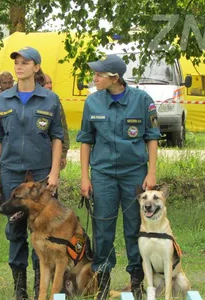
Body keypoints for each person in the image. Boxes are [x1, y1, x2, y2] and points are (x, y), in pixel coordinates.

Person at [77, 54, 160, 300]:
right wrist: (84, 176)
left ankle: (137, 282)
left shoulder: (142, 100)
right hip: (102, 174)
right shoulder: (92, 103)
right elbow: (85, 140)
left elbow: (152, 137)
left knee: (135, 227)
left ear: (115, 77)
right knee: (103, 229)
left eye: (99, 74)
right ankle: (102, 281)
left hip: (134, 173)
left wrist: (152, 172)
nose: (95, 78)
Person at [0, 46, 64, 300]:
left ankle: (40, 286)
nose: (19, 67)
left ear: (36, 67)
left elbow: (57, 138)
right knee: (15, 230)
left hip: (40, 175)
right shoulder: (2, 100)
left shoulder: (50, 99)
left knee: (43, 231)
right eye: (17, 62)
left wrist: (54, 173)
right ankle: (20, 288)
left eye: (25, 62)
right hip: (10, 172)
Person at [43, 73, 70, 169]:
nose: (50, 86)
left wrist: (63, 153)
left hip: (53, 151)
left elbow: (63, 128)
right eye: (46, 83)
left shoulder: (55, 101)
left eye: (51, 83)